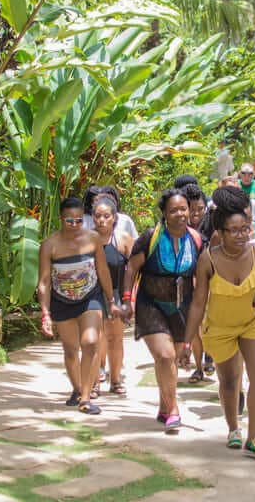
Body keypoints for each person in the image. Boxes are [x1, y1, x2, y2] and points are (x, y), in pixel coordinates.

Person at [180, 186, 255, 459]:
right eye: (234, 230)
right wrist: (187, 342)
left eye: (245, 229)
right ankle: (233, 428)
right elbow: (198, 303)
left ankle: (254, 437)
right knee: (230, 380)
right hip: (220, 328)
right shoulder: (208, 259)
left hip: (254, 322)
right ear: (220, 232)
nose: (242, 235)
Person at [122, 189, 203, 433]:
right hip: (151, 304)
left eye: (183, 209)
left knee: (172, 360)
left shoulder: (197, 240)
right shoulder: (150, 237)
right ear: (164, 214)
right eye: (173, 210)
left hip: (182, 307)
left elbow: (203, 274)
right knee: (165, 356)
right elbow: (131, 268)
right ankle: (174, 409)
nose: (180, 214)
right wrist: (127, 300)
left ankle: (163, 405)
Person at [39, 197, 116, 415]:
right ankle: (77, 388)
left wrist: (111, 300)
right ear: (61, 219)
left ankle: (85, 398)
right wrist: (45, 313)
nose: (74, 226)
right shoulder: (49, 245)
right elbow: (44, 281)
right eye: (69, 221)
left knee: (90, 342)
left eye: (79, 221)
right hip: (62, 301)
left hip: (90, 297)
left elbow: (102, 271)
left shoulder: (92, 239)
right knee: (71, 351)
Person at [91, 194, 133, 396]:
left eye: (106, 216)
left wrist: (129, 299)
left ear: (114, 217)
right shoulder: (87, 239)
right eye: (98, 216)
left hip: (115, 293)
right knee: (95, 338)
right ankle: (94, 382)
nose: (102, 220)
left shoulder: (123, 240)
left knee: (115, 339)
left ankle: (115, 380)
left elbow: (134, 270)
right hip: (92, 294)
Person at [183, 183, 214, 381]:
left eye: (200, 209)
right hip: (186, 282)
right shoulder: (177, 226)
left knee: (208, 323)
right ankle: (199, 367)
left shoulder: (213, 224)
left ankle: (209, 356)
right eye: (191, 209)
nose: (196, 213)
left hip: (210, 281)